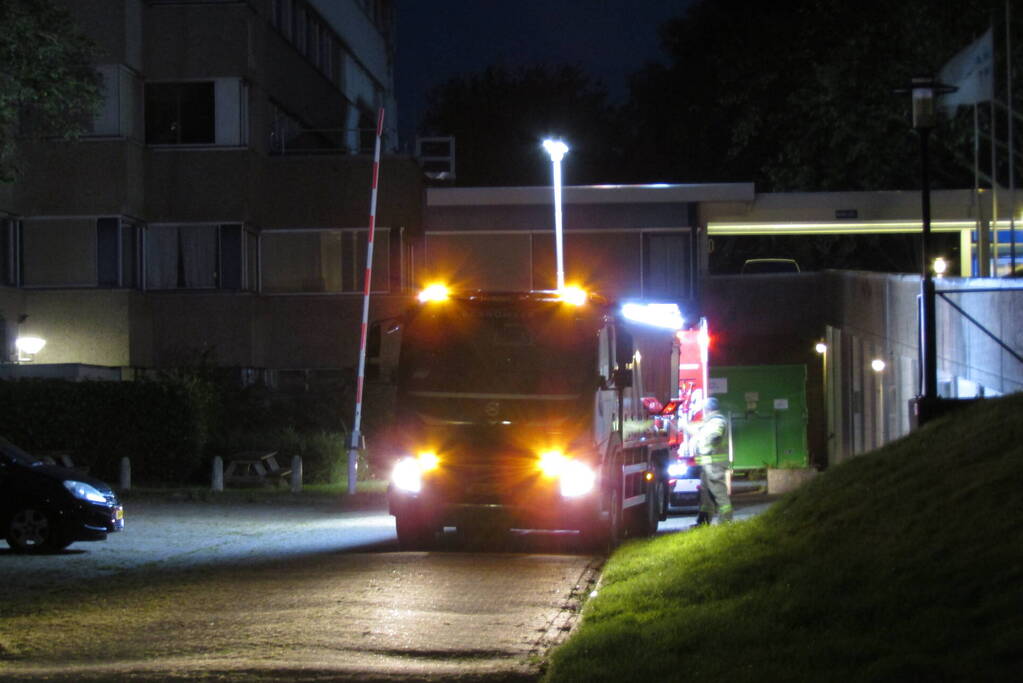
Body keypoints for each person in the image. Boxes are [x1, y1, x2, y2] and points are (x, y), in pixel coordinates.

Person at [685, 397, 732, 525]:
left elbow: (713, 436)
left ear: (707, 409)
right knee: (705, 496)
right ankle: (703, 522)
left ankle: (726, 522)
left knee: (719, 494)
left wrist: (704, 445)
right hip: (708, 466)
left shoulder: (717, 421)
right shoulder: (710, 422)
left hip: (714, 465)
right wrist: (684, 426)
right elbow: (698, 430)